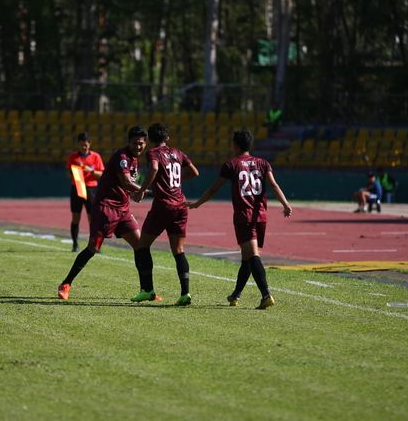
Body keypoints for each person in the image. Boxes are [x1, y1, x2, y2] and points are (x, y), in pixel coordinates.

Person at [188, 130, 292, 309]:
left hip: (245, 216)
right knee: (246, 257)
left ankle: (266, 294)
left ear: (235, 145)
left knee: (252, 256)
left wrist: (197, 204)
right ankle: (235, 295)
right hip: (261, 216)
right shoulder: (263, 163)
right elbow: (274, 185)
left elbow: (214, 189)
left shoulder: (231, 164)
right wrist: (285, 204)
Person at [57, 126, 160, 302]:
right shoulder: (122, 157)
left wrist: (135, 193)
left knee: (141, 246)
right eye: (135, 143)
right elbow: (126, 182)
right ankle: (65, 284)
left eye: (141, 144)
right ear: (128, 142)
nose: (138, 146)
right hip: (105, 208)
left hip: (123, 210)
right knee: (93, 248)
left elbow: (128, 186)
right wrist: (147, 191)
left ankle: (147, 290)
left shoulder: (135, 159)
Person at [131, 123, 199, 306]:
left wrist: (142, 190)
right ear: (167, 138)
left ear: (151, 140)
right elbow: (194, 171)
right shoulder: (178, 152)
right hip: (180, 205)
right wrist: (174, 182)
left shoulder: (153, 153)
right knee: (178, 251)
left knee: (142, 246)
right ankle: (185, 293)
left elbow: (153, 169)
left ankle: (147, 290)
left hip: (163, 206)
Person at [66, 132, 105, 252]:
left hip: (91, 189)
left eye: (86, 145)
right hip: (77, 187)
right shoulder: (73, 157)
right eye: (82, 145)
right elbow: (69, 173)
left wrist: (91, 171)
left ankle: (94, 245)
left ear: (90, 144)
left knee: (93, 218)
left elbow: (102, 175)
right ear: (78, 144)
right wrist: (75, 173)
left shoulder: (96, 157)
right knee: (76, 217)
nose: (84, 147)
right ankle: (75, 244)